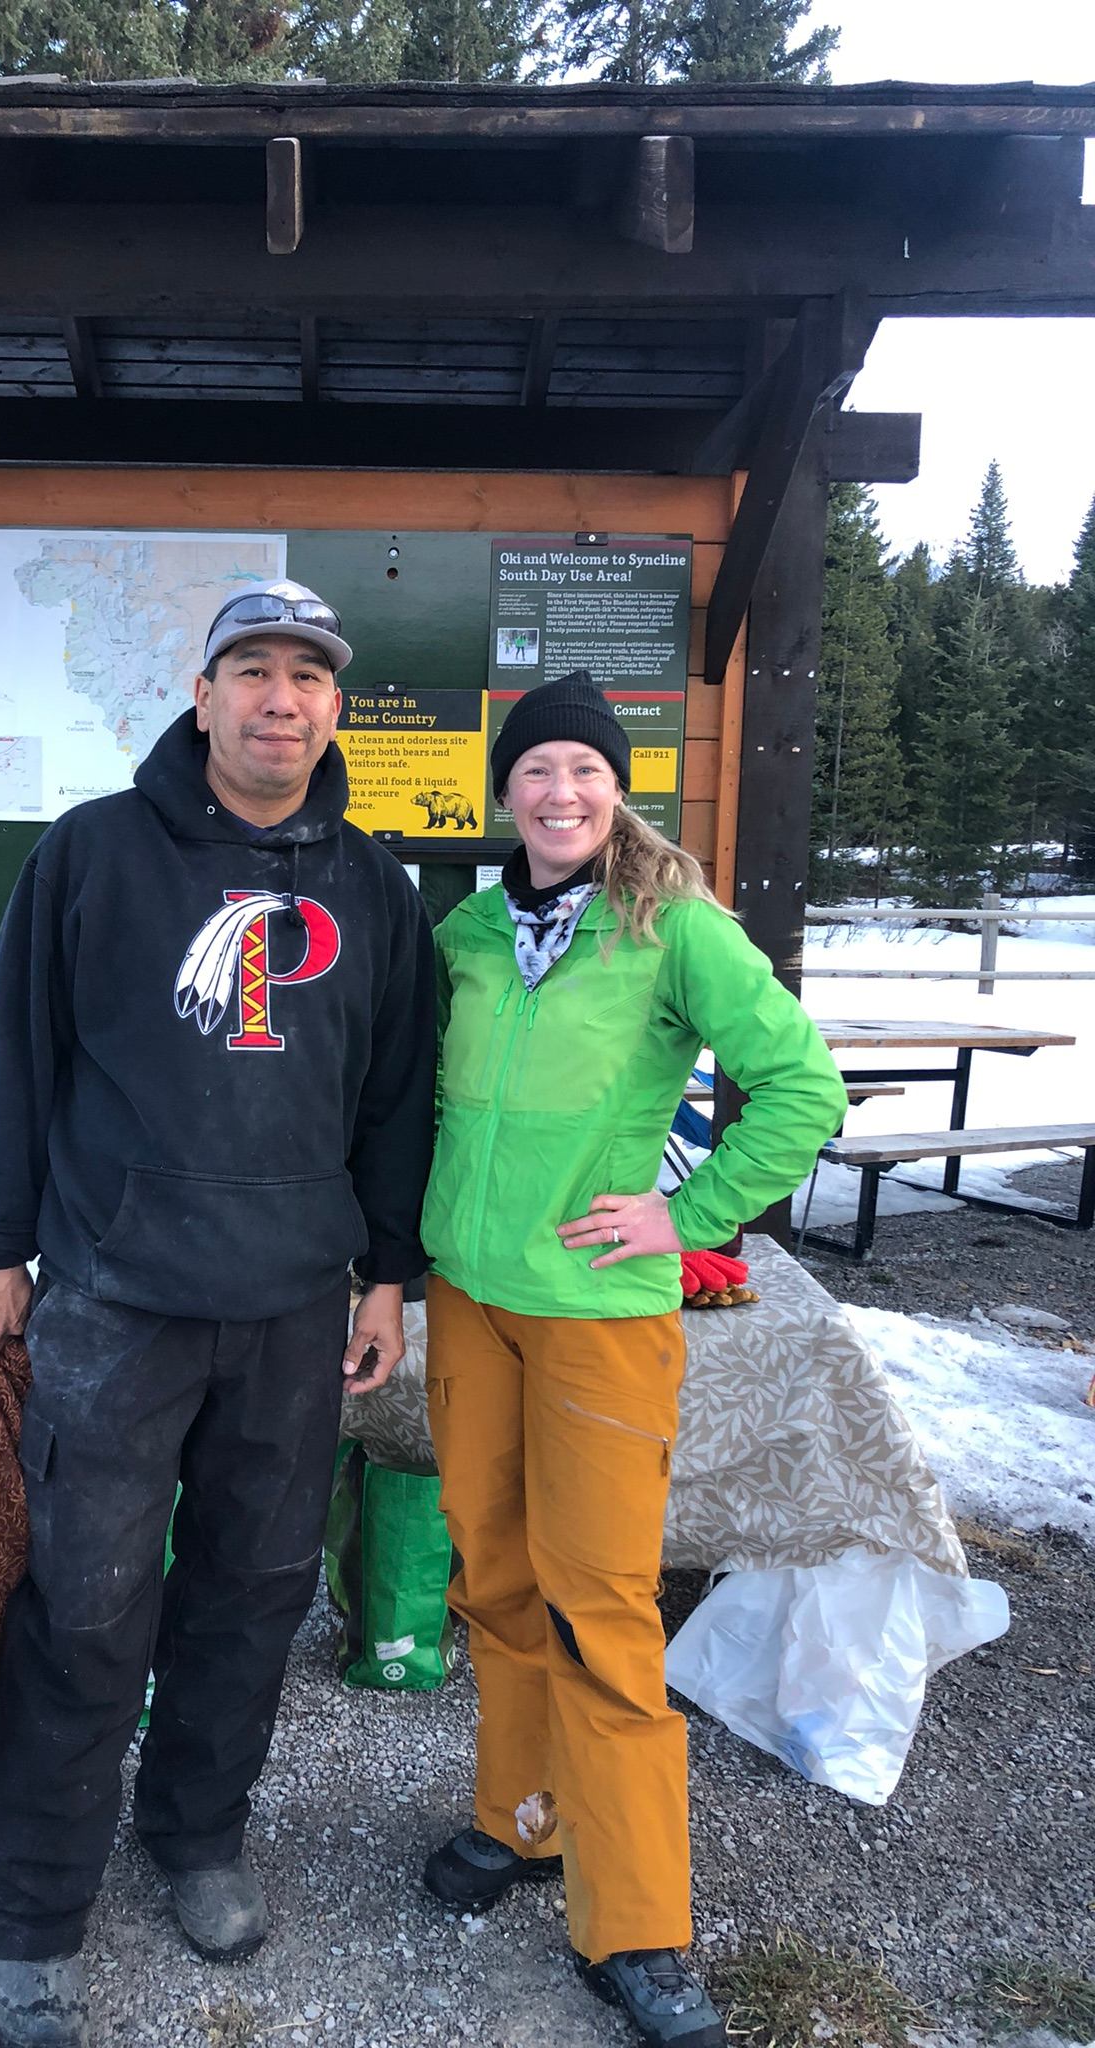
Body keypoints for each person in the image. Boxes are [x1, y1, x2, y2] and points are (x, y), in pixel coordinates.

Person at [0, 579, 436, 2048]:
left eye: (308, 675)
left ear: (334, 706)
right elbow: (19, 1056)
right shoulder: (92, 853)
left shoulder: (374, 886)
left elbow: (397, 1097)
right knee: (86, 1604)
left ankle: (197, 1836)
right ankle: (34, 1909)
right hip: (115, 1299)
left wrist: (388, 1273)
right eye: (253, 671)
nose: (280, 699)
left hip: (293, 1309)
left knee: (251, 1595)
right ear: (205, 691)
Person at [418, 672, 847, 2048]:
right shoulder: (473, 932)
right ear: (506, 795)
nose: (559, 793)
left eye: (585, 773)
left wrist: (691, 1212)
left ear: (618, 791)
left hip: (600, 1316)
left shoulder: (673, 927)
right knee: (490, 1574)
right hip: (470, 1302)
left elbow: (802, 1089)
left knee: (598, 1604)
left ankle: (639, 1923)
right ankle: (523, 1823)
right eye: (536, 772)